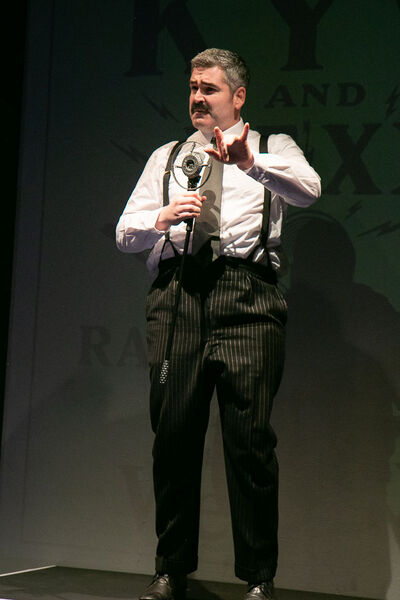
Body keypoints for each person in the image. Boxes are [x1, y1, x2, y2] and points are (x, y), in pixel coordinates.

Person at [116, 48, 321, 600]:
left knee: (249, 442)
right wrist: (160, 218)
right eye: (192, 87)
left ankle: (258, 578)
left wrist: (251, 163)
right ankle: (170, 569)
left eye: (209, 88)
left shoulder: (274, 146)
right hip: (178, 296)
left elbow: (309, 189)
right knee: (174, 436)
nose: (197, 97)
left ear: (238, 96)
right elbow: (125, 232)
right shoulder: (167, 156)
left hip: (246, 297)